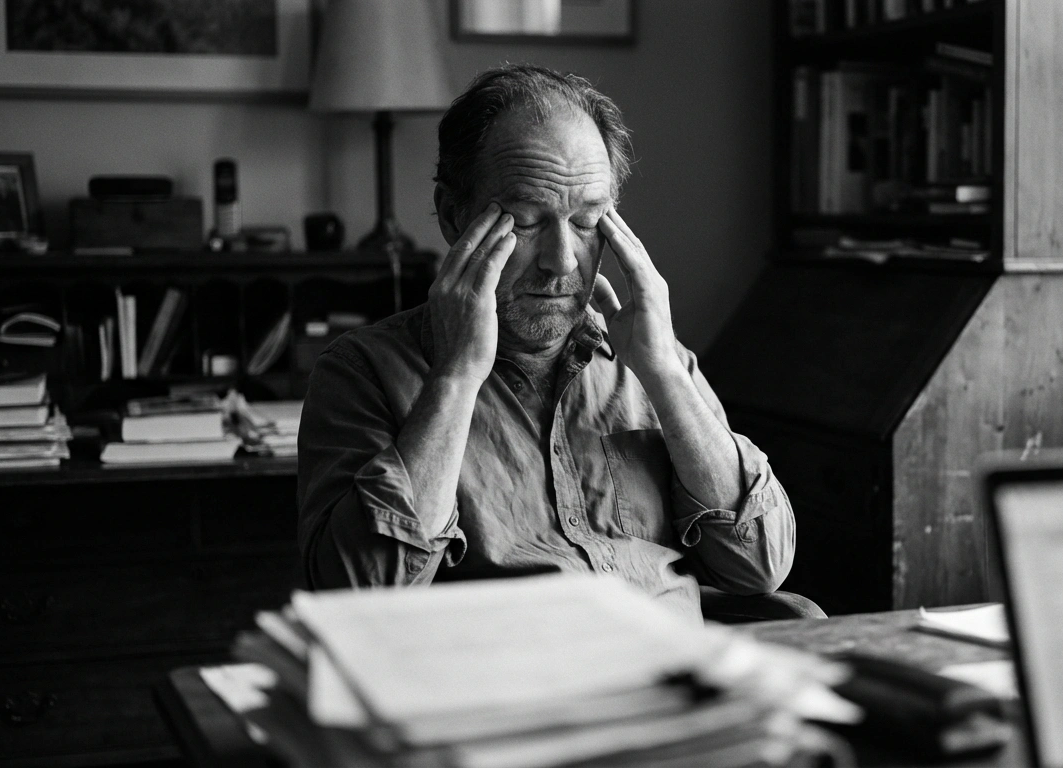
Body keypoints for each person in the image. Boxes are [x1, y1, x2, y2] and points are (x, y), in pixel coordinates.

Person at [297, 64, 796, 620]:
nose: (562, 263)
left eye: (587, 223)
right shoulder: (361, 372)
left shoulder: (653, 361)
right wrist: (456, 376)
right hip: (506, 692)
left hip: (667, 677)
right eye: (528, 221)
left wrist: (664, 374)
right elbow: (361, 593)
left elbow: (758, 563)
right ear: (451, 215)